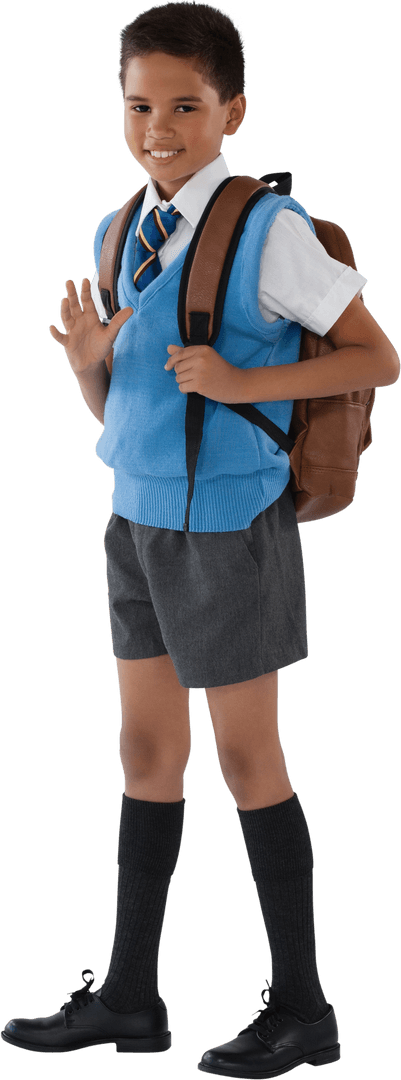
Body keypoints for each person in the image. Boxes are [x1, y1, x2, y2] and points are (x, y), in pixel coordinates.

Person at [2, 1, 399, 1074]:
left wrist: (240, 382)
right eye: (139, 106)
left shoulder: (269, 229)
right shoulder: (114, 231)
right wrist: (87, 366)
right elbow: (122, 415)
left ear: (233, 110)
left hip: (228, 528)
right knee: (145, 752)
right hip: (133, 521)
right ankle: (129, 998)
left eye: (184, 106)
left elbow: (376, 357)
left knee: (244, 756)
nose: (159, 129)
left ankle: (304, 1009)